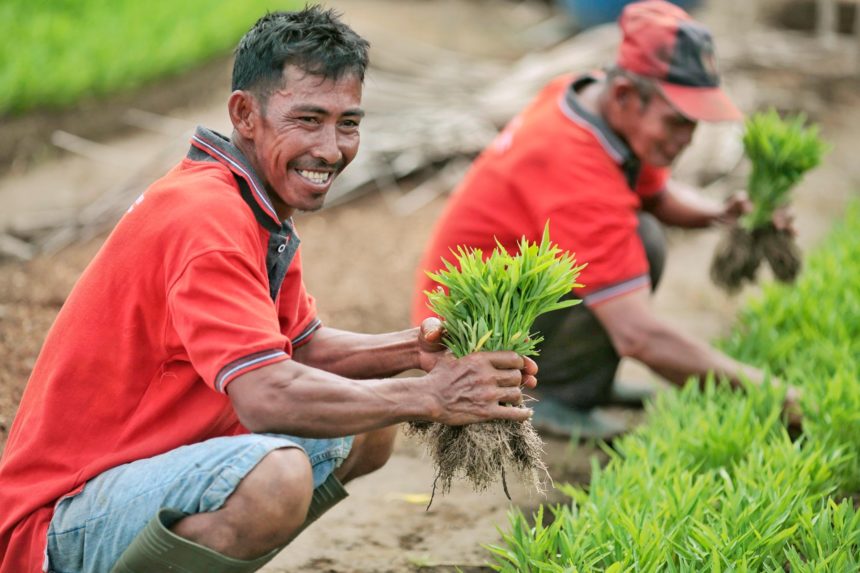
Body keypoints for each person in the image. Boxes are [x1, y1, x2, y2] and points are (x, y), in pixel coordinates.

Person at [0, 7, 539, 573]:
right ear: (245, 114)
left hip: (142, 471)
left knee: (367, 424)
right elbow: (265, 396)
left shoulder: (252, 204)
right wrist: (433, 397)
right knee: (277, 477)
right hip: (60, 516)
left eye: (347, 123)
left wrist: (412, 351)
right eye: (307, 119)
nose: (331, 149)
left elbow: (299, 349)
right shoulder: (206, 220)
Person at [411, 0, 793, 440]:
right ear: (625, 96)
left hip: (509, 298)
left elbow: (658, 194)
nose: (687, 140)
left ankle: (583, 381)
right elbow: (639, 336)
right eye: (676, 122)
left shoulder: (587, 100)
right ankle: (549, 391)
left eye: (693, 124)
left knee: (642, 236)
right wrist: (772, 394)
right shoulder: (576, 165)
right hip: (465, 338)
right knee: (632, 250)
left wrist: (723, 215)